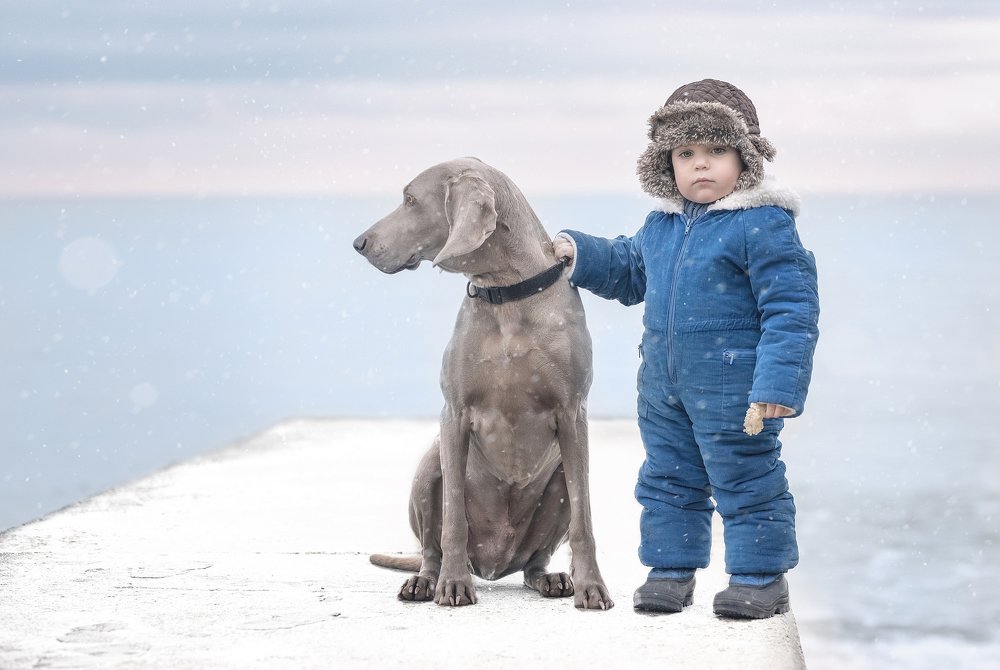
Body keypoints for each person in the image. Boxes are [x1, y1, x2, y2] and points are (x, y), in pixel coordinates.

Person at [552, 79, 819, 619]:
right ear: (666, 163)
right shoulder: (663, 225)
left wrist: (776, 386)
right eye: (686, 153)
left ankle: (760, 578)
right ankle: (670, 571)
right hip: (665, 388)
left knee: (747, 478)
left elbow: (791, 310)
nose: (701, 165)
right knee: (667, 477)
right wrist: (577, 252)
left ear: (745, 158)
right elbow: (630, 271)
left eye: (716, 151)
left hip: (736, 390)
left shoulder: (762, 224)